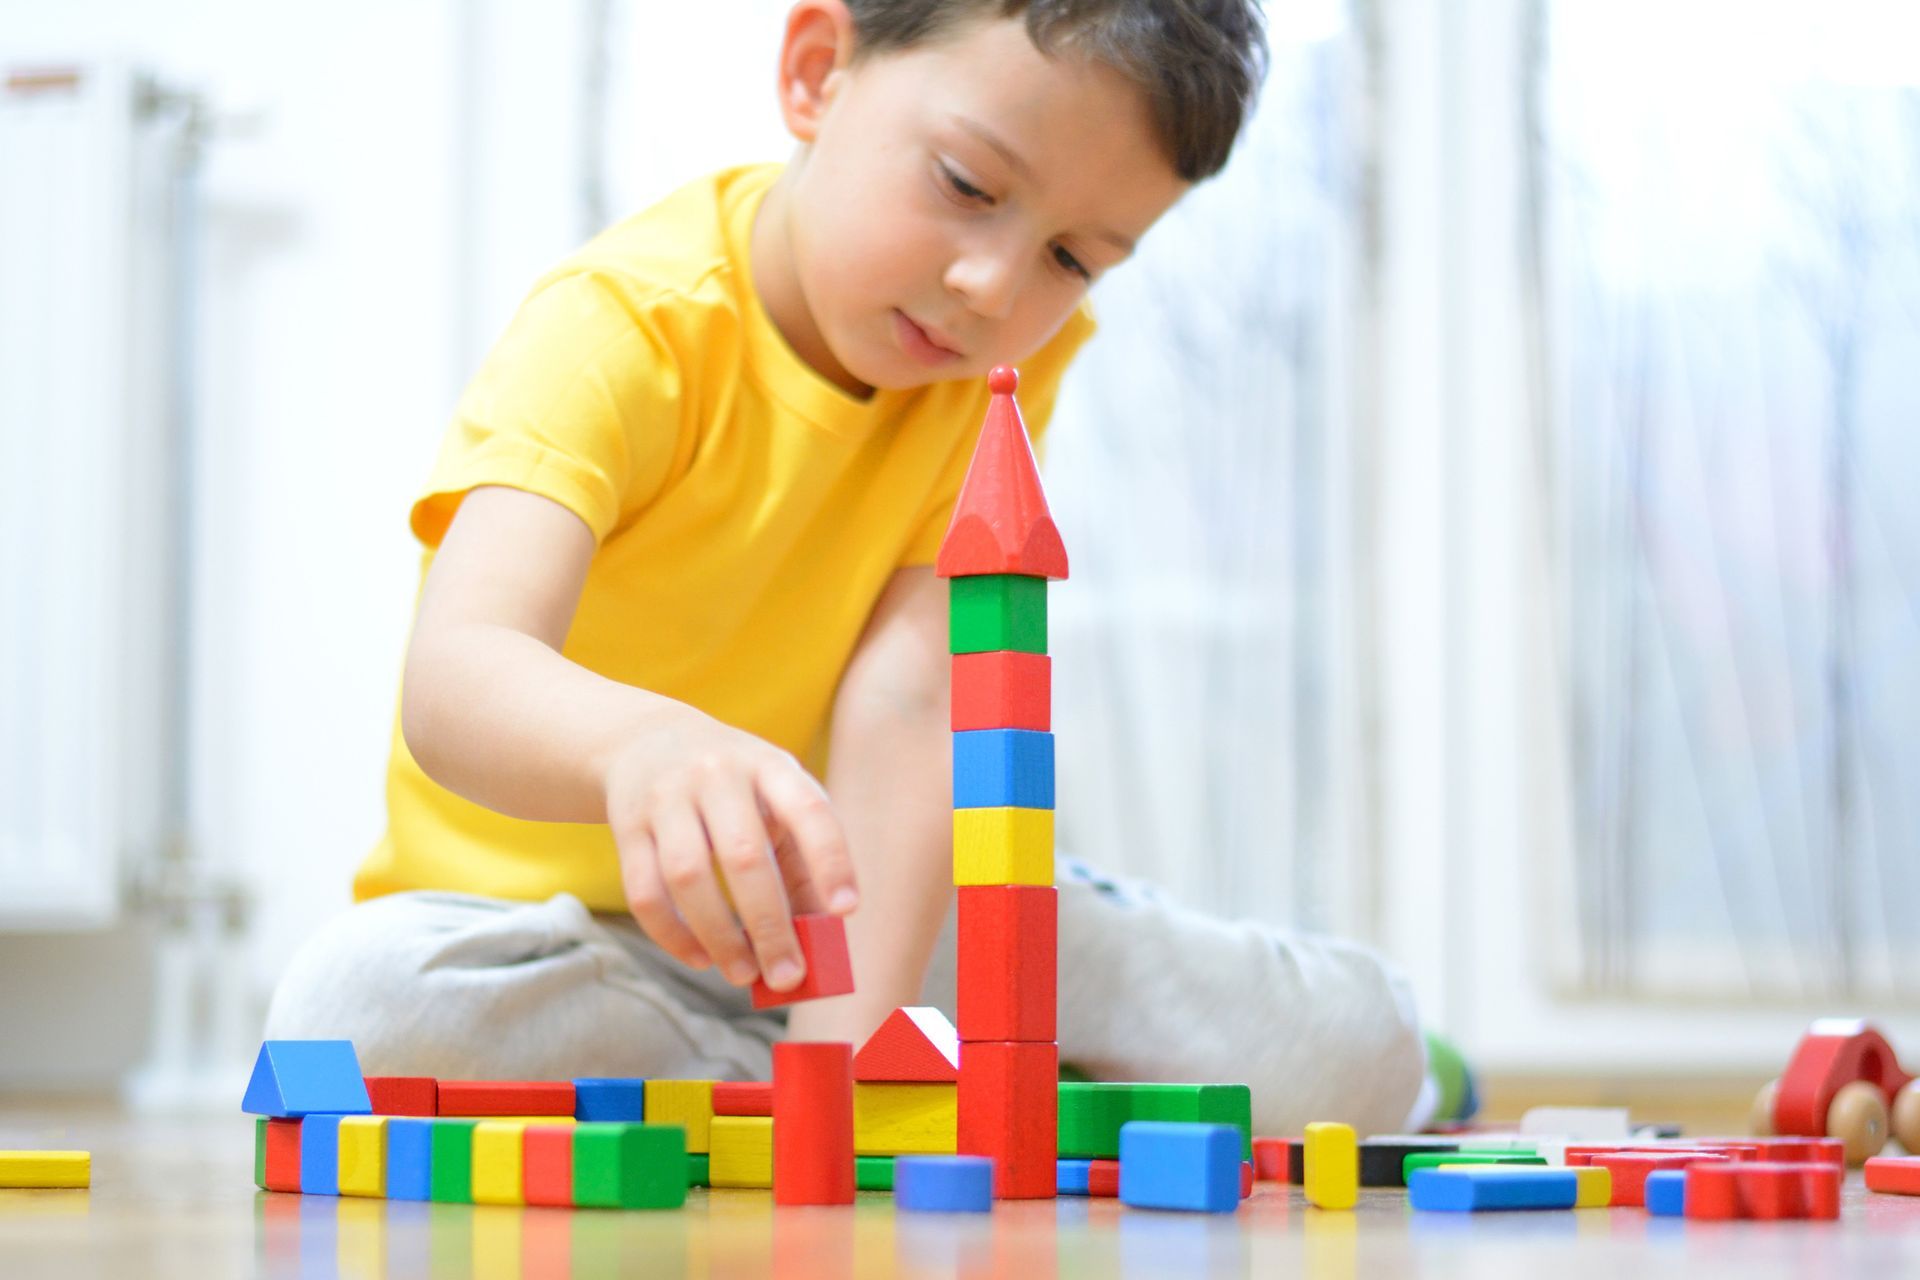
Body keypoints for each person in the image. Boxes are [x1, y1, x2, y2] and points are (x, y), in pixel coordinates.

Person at [267, 0, 1436, 1136]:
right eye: (968, 187)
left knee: (1362, 1055)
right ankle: (968, 1084)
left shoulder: (1003, 368)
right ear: (818, 73)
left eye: (1072, 258)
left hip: (857, 907)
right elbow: (461, 670)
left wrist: (848, 1048)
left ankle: (848, 1082)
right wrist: (640, 746)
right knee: (360, 1012)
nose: (994, 287)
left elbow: (913, 692)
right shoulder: (623, 329)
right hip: (546, 936)